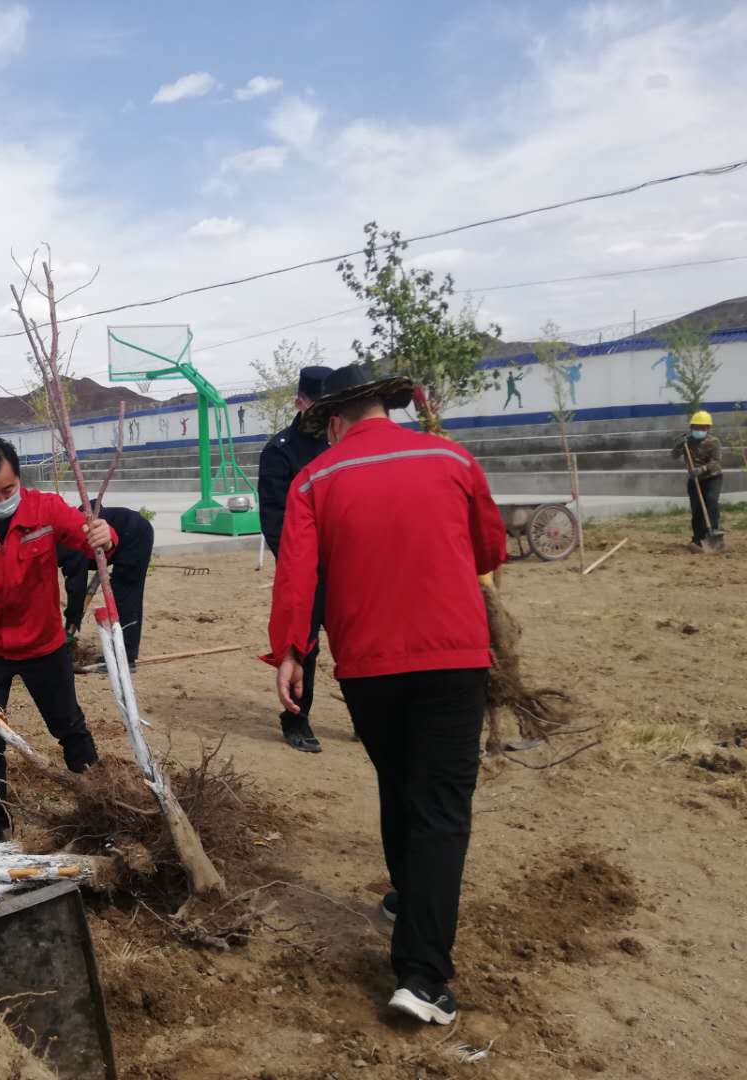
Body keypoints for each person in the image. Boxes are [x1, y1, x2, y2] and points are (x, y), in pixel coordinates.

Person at [265, 361, 507, 1026]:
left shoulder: (315, 477)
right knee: (441, 806)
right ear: (387, 408)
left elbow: (296, 576)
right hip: (453, 657)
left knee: (400, 781)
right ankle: (422, 977)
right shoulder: (451, 458)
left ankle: (408, 892)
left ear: (335, 420)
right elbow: (491, 547)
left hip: (367, 666)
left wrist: (291, 651)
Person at [0, 438, 116, 841]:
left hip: (43, 643)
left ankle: (104, 809)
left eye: (7, 490)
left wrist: (103, 533)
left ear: (19, 478)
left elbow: (88, 538)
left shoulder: (45, 508)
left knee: (69, 726)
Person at [257, 364, 333, 753]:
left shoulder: (341, 444)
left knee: (354, 640)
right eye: (318, 405)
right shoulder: (280, 452)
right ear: (301, 402)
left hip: (348, 561)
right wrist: (298, 565)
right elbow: (274, 518)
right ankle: (297, 718)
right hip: (306, 565)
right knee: (304, 643)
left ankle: (365, 713)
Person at [61, 502, 154, 664]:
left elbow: (76, 587)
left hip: (135, 534)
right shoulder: (67, 528)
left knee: (125, 593)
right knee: (122, 591)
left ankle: (126, 655)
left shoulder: (70, 542)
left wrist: (71, 623)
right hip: (117, 537)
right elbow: (94, 503)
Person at [671, 410, 724, 550]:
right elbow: (674, 456)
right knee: (696, 509)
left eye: (702, 427)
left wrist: (701, 469)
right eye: (696, 427)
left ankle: (713, 530)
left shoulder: (714, 442)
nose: (699, 430)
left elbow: (716, 462)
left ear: (708, 428)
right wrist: (678, 445)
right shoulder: (687, 441)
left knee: (711, 500)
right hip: (694, 480)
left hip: (712, 477)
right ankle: (698, 538)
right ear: (691, 427)